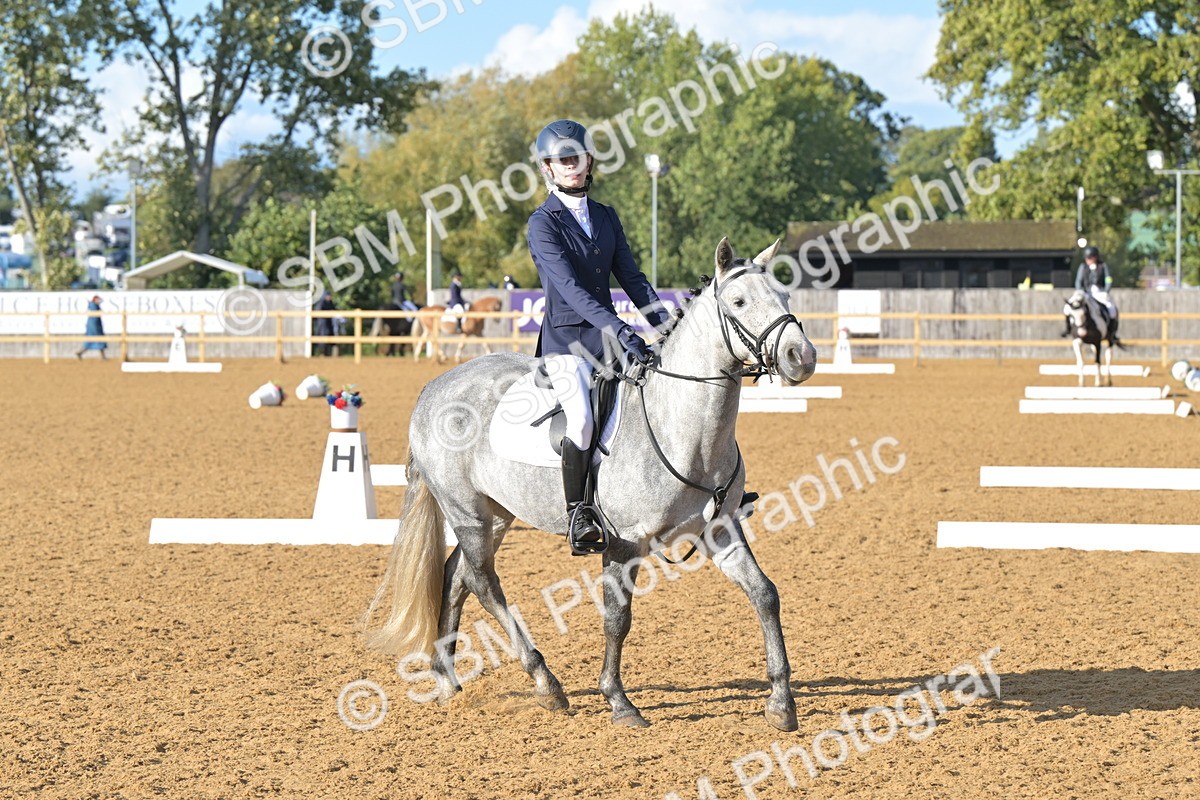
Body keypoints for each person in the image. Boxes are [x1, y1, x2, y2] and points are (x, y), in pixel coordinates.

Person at [527, 118, 669, 555]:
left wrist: (667, 326)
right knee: (583, 420)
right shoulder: (542, 223)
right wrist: (621, 328)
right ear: (548, 168)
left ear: (589, 162)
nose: (571, 165)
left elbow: (631, 277)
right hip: (567, 341)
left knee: (660, 396)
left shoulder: (606, 216)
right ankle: (579, 513)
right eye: (562, 160)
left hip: (609, 338)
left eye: (577, 157)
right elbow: (570, 289)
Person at [1062, 246, 1118, 337]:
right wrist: (1080, 291)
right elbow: (1078, 281)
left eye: (1090, 258)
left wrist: (1106, 291)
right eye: (1087, 258)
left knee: (1112, 309)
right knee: (1067, 307)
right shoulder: (1083, 266)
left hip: (1100, 292)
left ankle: (1111, 333)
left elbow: (1108, 279)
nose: (1088, 260)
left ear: (1096, 257)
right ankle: (1068, 328)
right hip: (1086, 293)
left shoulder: (1102, 266)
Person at [76, 295, 107, 359]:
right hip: (94, 327)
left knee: (95, 341)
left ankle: (80, 352)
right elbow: (94, 318)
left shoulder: (95, 306)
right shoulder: (93, 306)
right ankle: (103, 356)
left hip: (95, 326)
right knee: (96, 340)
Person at [314, 291, 336, 356]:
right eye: (328, 296)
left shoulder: (330, 303)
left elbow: (334, 309)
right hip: (322, 323)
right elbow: (317, 312)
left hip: (329, 323)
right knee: (322, 337)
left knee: (330, 336)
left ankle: (328, 353)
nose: (329, 297)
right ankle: (321, 353)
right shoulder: (321, 303)